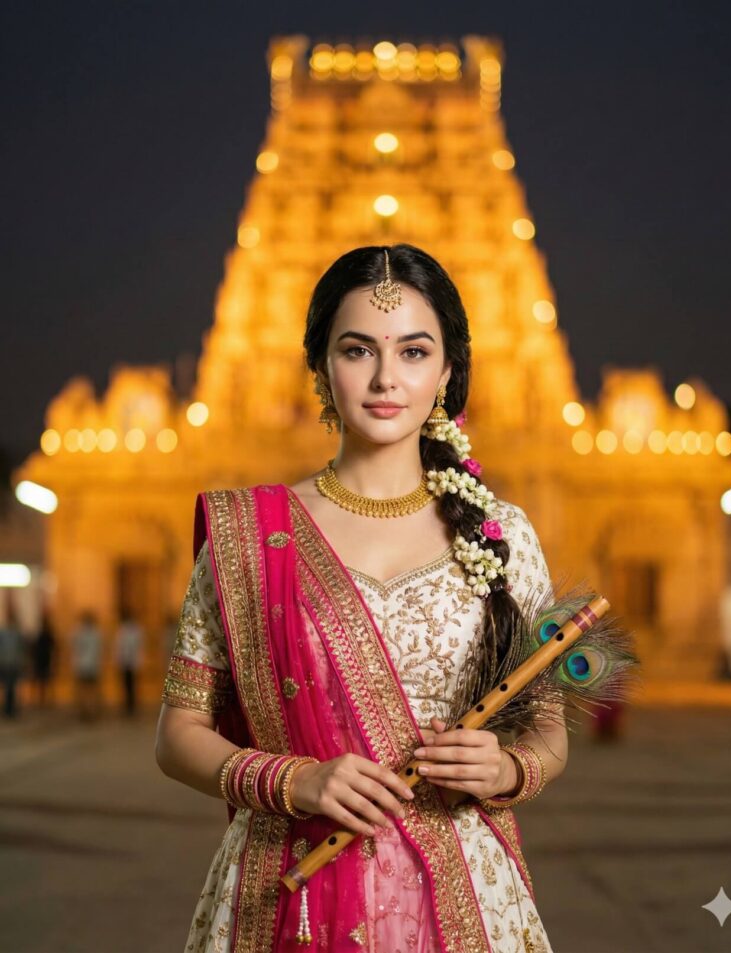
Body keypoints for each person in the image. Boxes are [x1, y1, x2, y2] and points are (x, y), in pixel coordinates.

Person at [156, 244, 567, 952]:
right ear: (320, 367)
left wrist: (503, 769)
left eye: (413, 352)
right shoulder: (250, 535)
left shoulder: (505, 536)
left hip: (465, 895)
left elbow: (549, 731)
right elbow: (176, 734)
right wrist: (294, 780)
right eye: (357, 350)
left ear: (446, 371)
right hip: (288, 891)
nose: (385, 378)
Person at [71, 611, 103, 721]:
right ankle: (91, 711)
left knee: (84, 690)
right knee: (91, 690)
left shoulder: (79, 633)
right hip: (92, 665)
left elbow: (74, 647)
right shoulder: (96, 633)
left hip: (82, 665)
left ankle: (86, 711)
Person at [114, 610, 143, 716]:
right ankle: (128, 706)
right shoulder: (125, 630)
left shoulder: (132, 630)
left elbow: (139, 646)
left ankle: (131, 706)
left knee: (131, 685)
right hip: (127, 661)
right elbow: (119, 647)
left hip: (131, 661)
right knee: (127, 685)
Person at [0, 605, 25, 718]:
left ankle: (11, 708)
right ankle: (7, 708)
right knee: (7, 687)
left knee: (12, 687)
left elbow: (21, 649)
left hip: (13, 664)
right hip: (5, 663)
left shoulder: (17, 634)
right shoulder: (3, 633)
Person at [31, 611, 56, 708]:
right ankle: (41, 700)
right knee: (42, 681)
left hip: (43, 659)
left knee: (43, 681)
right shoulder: (45, 633)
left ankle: (43, 700)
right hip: (43, 659)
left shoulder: (45, 633)